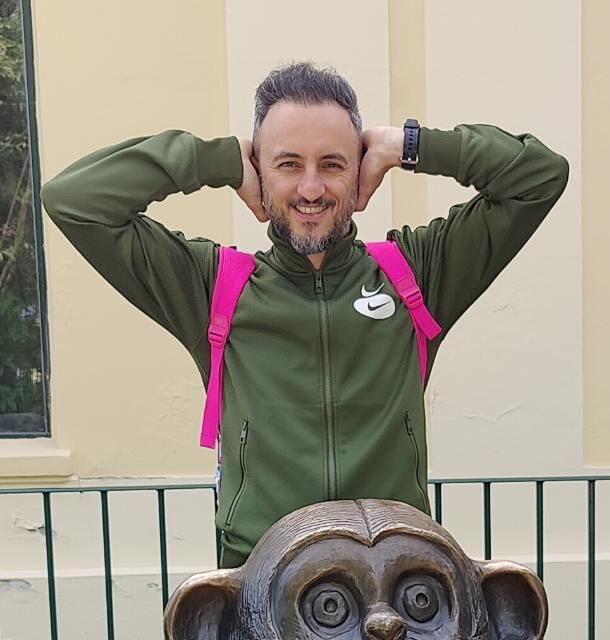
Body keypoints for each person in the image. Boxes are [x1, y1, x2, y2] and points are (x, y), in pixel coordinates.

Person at [42, 62, 569, 568]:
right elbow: (75, 200)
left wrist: (408, 145)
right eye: (289, 164)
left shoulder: (417, 275)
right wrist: (216, 160)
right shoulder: (212, 288)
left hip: (393, 587)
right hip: (260, 589)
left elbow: (539, 176)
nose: (311, 189)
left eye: (332, 164)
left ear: (360, 171)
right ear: (260, 173)